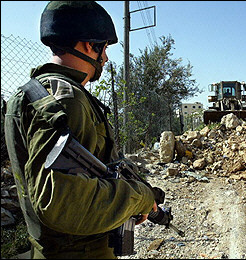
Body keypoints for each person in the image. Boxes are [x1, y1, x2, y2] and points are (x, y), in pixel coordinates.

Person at [4, 1, 156, 259]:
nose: (105, 58)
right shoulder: (67, 101)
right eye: (104, 48)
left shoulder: (28, 95)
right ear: (89, 45)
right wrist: (139, 196)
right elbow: (61, 200)